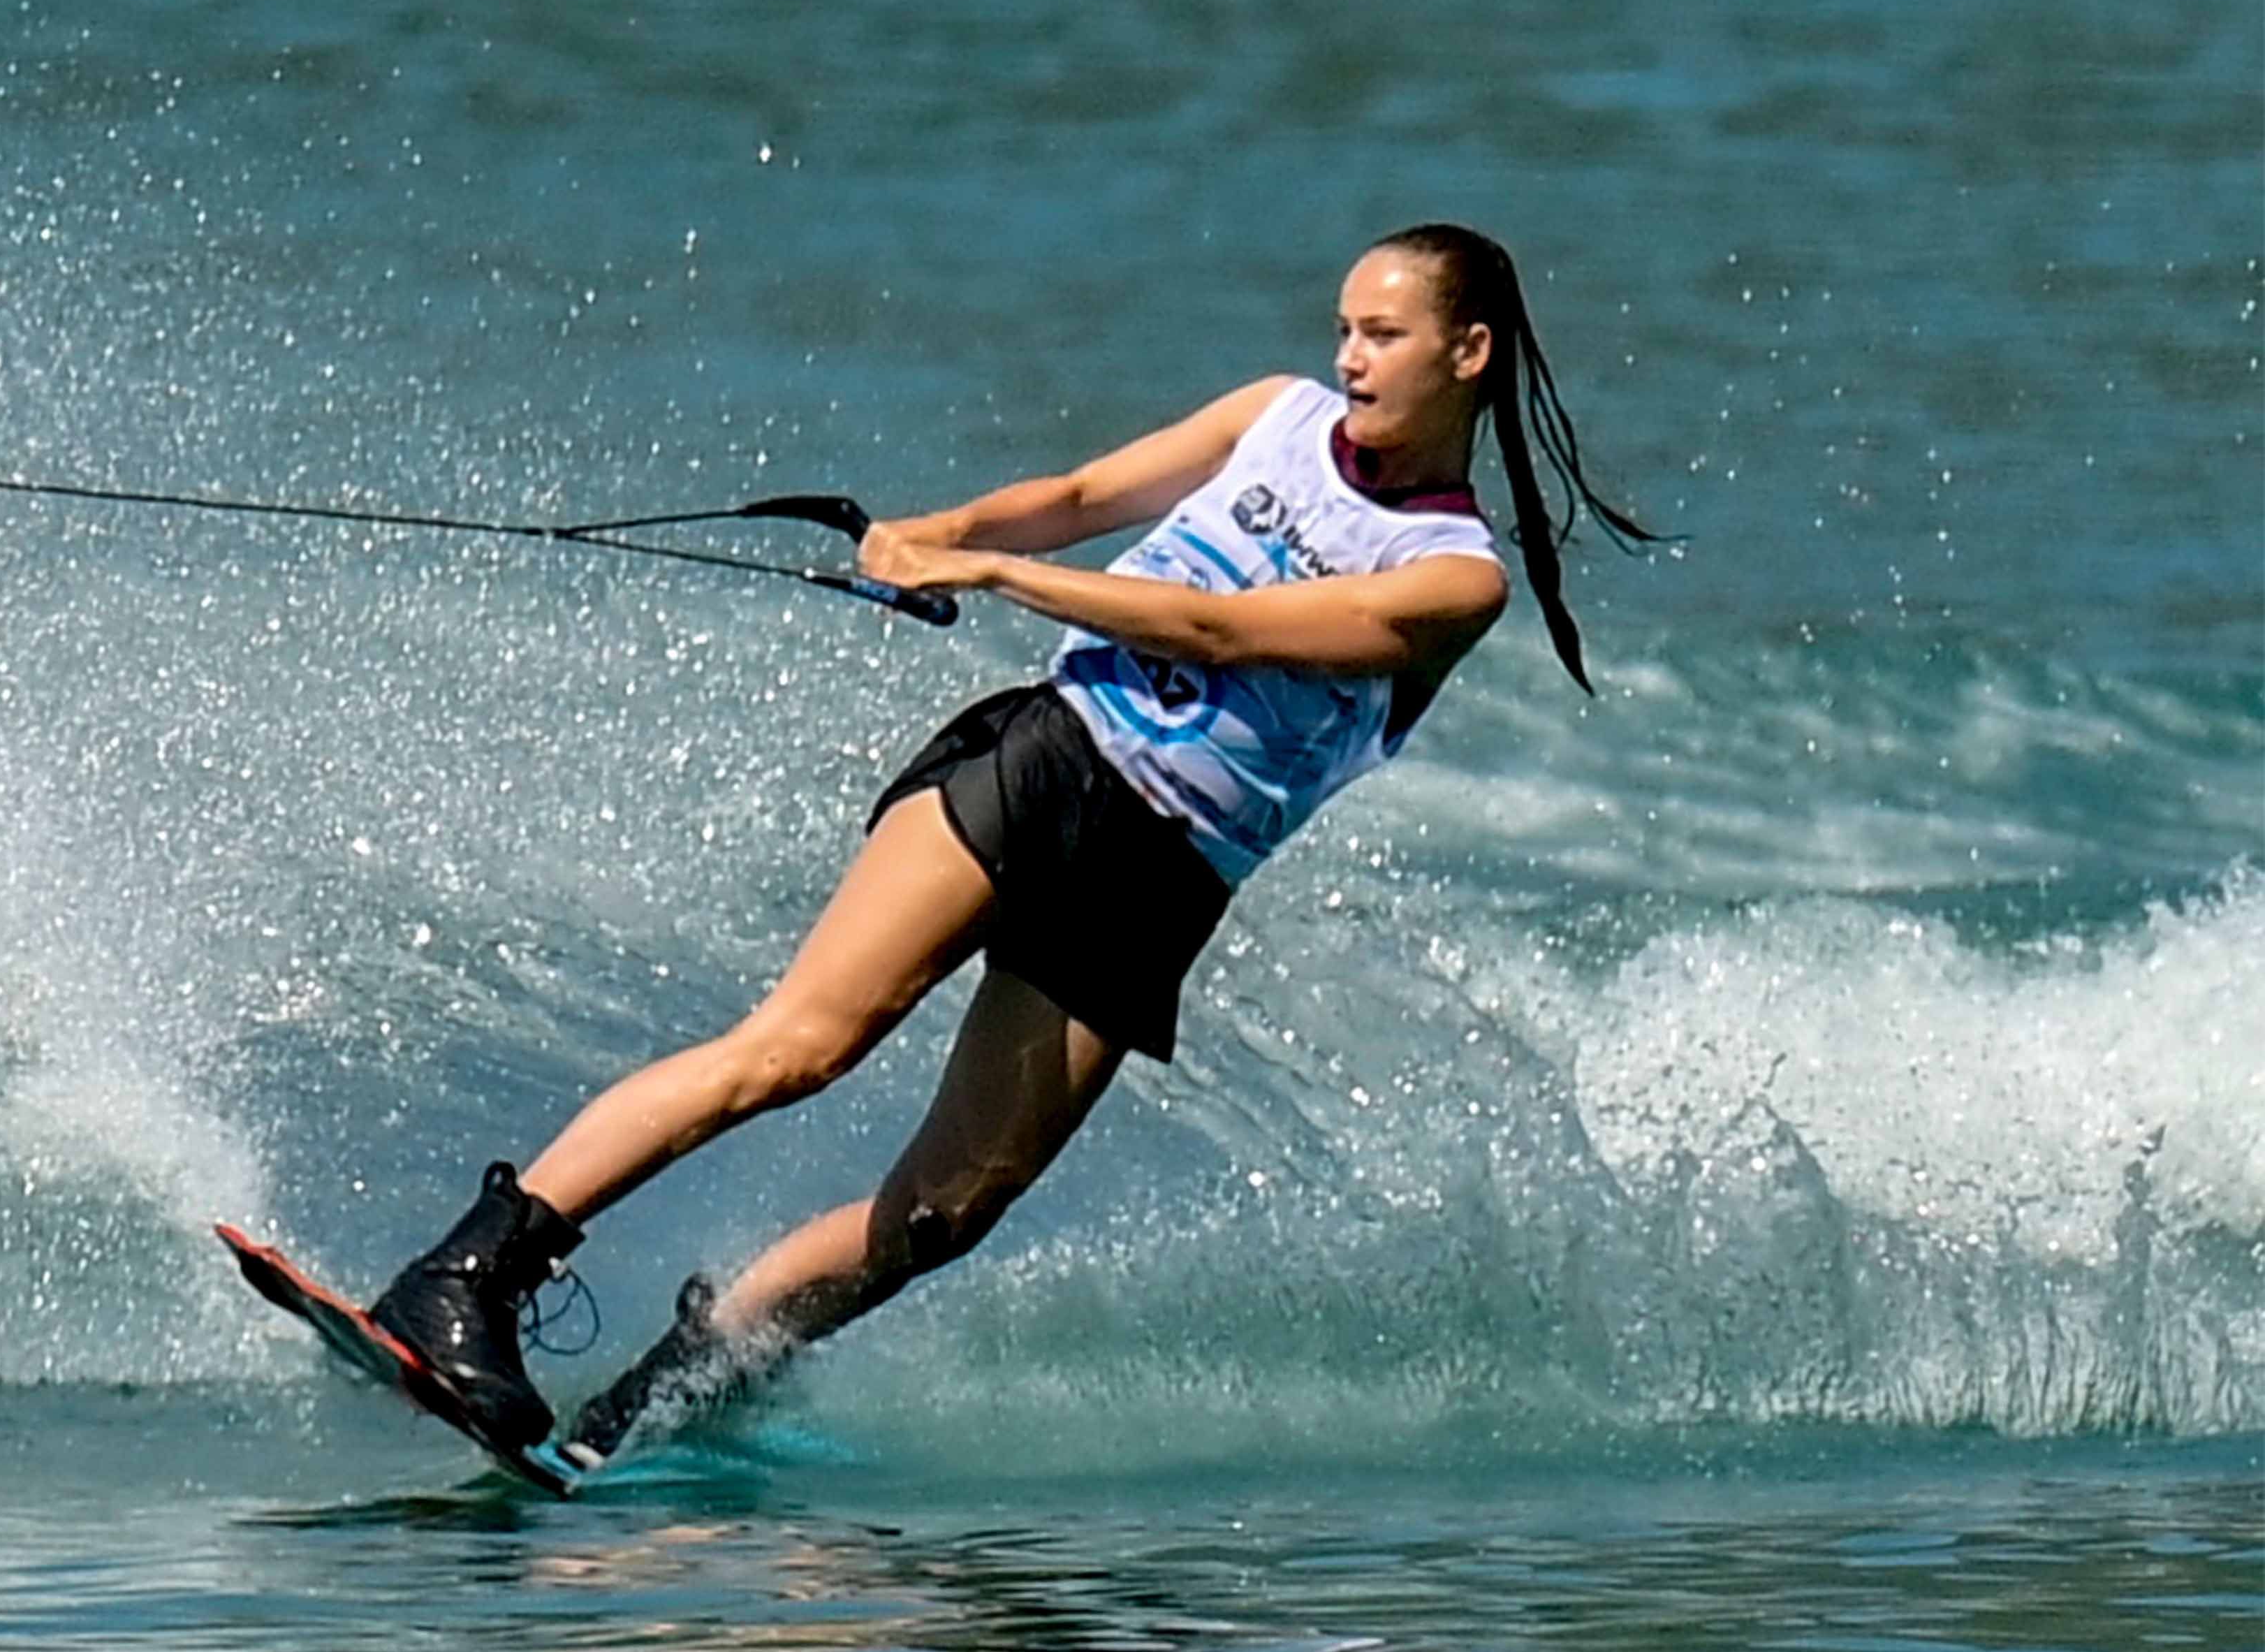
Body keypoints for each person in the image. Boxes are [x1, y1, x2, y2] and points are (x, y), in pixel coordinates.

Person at [362, 221, 1655, 1491]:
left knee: (946, 1211)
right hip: (1048, 764)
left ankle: (669, 1391)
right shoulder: (1275, 416)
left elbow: (1222, 629)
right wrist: (934, 529)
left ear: (1468, 352)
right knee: (798, 1047)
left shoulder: (1453, 577)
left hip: (1162, 881)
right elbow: (1084, 500)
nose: (1351, 357)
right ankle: (466, 1277)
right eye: (1344, 330)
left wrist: (992, 573)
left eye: (1383, 334)